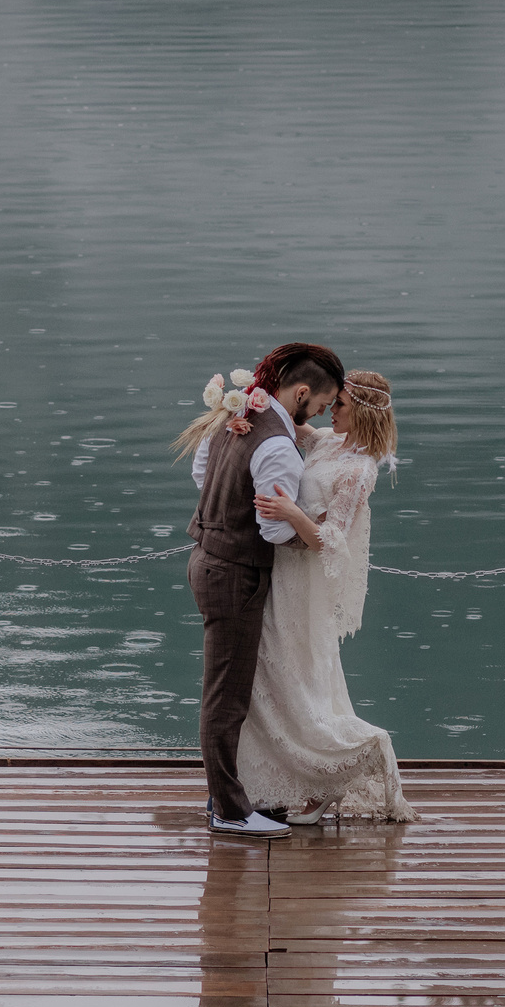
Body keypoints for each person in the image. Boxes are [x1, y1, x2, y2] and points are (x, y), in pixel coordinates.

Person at [178, 342, 343, 837]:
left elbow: (201, 473)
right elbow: (274, 531)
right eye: (316, 407)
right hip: (235, 575)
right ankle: (228, 810)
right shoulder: (275, 443)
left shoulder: (237, 416)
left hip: (206, 558)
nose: (315, 417)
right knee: (225, 698)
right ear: (301, 392)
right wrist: (318, 534)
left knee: (225, 693)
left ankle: (230, 798)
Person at [238, 370, 414, 824]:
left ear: (361, 413)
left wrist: (293, 513)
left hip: (304, 583)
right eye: (330, 403)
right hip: (282, 572)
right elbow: (288, 420)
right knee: (278, 677)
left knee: (295, 674)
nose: (329, 409)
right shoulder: (329, 443)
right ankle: (304, 780)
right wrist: (241, 409)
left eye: (339, 405)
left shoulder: (360, 470)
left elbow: (331, 540)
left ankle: (345, 764)